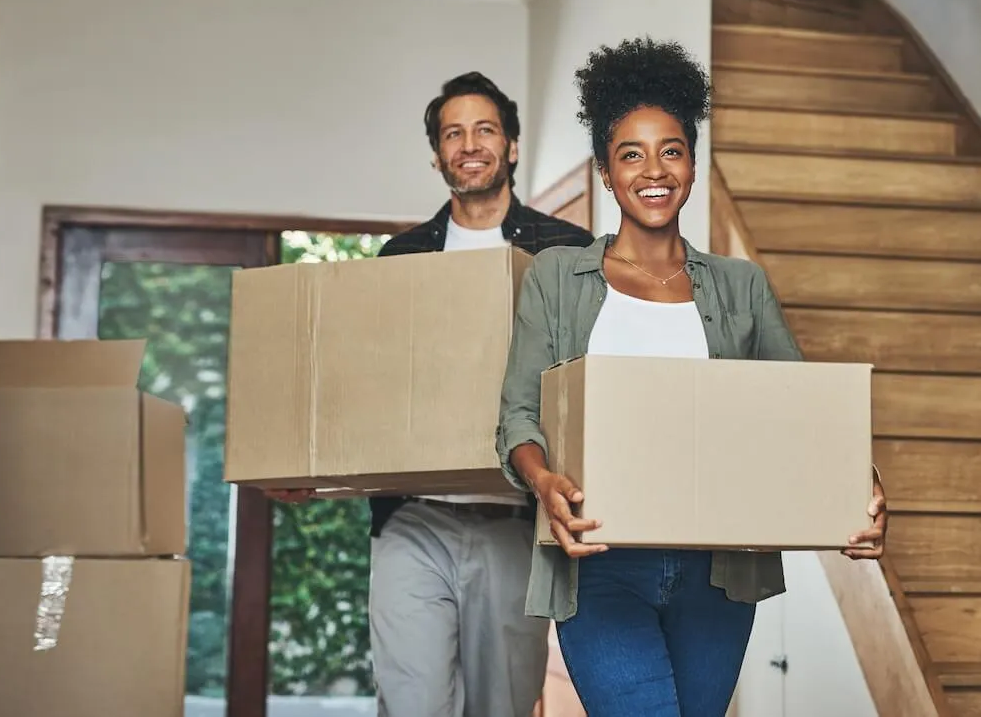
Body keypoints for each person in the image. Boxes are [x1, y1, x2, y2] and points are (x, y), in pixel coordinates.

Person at [495, 39, 888, 717]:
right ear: (605, 172)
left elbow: (802, 414)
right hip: (599, 561)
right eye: (631, 154)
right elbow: (519, 415)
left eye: (671, 150)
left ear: (694, 164)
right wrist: (543, 479)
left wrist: (860, 485)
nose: (654, 170)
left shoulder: (742, 286)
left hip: (720, 570)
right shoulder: (558, 279)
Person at [269, 71, 595, 717]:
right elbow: (366, 387)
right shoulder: (401, 256)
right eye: (453, 133)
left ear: (513, 147)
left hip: (513, 521)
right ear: (437, 154)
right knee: (411, 702)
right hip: (413, 522)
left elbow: (587, 384)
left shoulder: (567, 252)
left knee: (502, 706)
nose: (469, 144)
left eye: (484, 130)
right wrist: (309, 466)